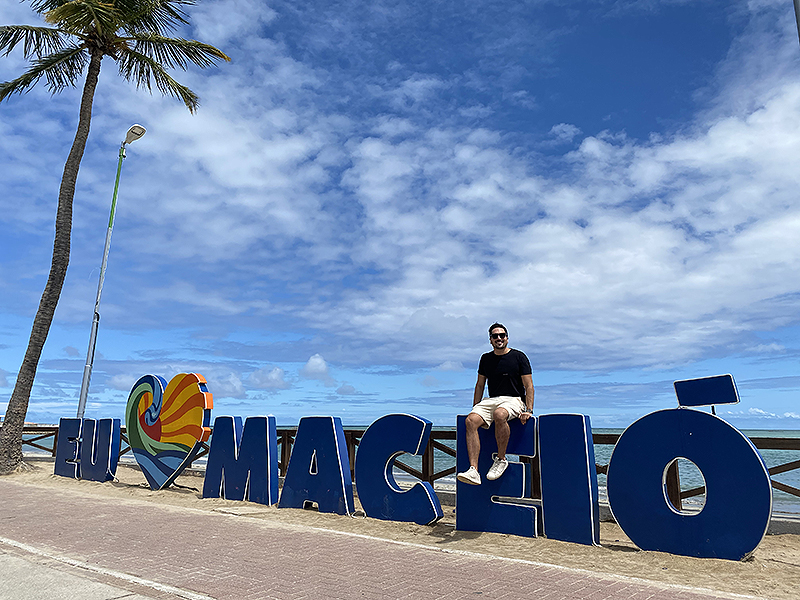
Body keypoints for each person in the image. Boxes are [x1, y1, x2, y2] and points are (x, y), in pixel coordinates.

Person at [456, 323, 534, 485]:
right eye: (495, 336)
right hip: (492, 400)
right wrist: (475, 407)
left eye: (502, 335)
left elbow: (529, 386)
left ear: (507, 338)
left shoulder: (519, 357)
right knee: (470, 420)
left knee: (499, 414)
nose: (499, 338)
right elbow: (480, 385)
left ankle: (501, 459)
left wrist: (529, 409)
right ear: (490, 340)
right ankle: (473, 470)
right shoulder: (486, 358)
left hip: (514, 399)